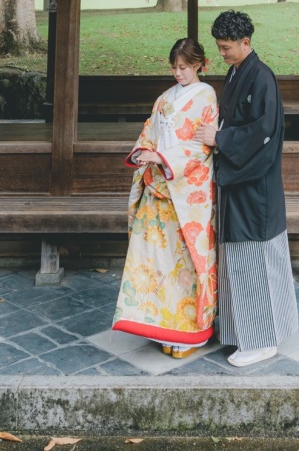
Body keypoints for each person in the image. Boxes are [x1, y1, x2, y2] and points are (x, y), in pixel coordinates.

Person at [196, 10, 298, 368]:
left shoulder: (262, 78)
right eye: (219, 47)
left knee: (255, 259)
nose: (221, 53)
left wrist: (220, 138)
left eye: (226, 47)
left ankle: (261, 341)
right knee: (239, 262)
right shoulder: (238, 71)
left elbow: (263, 132)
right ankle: (246, 333)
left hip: (255, 186)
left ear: (246, 43)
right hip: (239, 183)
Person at [113, 38, 218, 358]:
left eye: (184, 67)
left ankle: (190, 335)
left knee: (185, 266)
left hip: (187, 194)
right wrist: (145, 152)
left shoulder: (207, 97)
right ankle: (159, 325)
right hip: (158, 190)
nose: (177, 73)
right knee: (154, 263)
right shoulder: (164, 99)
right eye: (174, 67)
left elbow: (202, 145)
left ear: (200, 64)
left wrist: (164, 158)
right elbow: (149, 133)